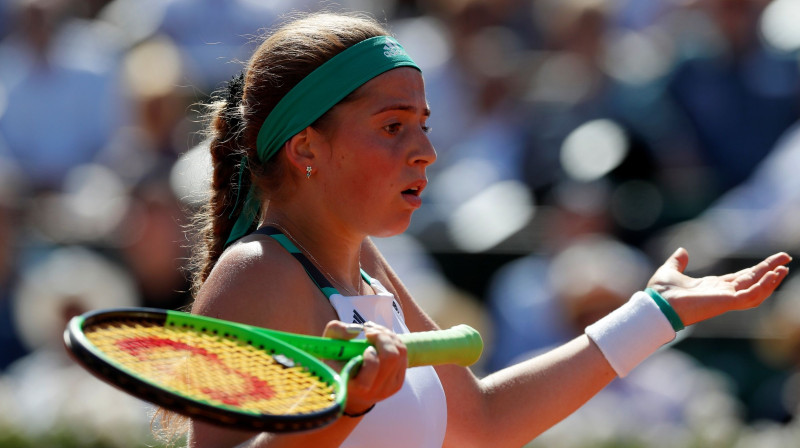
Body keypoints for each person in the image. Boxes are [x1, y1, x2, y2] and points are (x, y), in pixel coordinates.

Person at [175, 11, 791, 448]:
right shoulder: (255, 274)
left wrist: (655, 313)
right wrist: (346, 408)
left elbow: (485, 424)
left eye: (424, 123)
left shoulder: (367, 268)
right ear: (306, 147)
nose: (425, 152)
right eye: (393, 127)